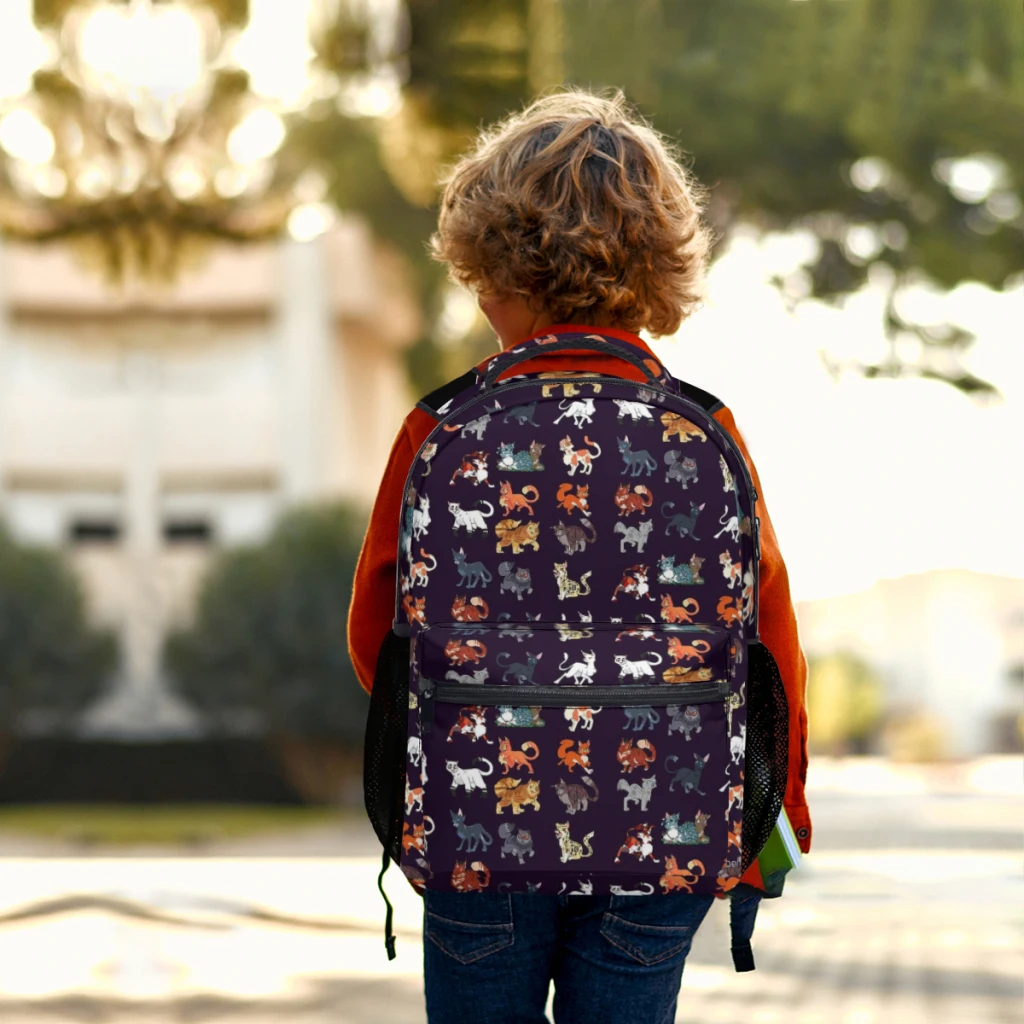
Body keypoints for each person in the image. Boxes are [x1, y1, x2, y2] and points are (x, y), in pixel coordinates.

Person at [348, 87, 810, 1024]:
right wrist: (777, 810)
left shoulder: (441, 426)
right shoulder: (706, 428)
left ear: (494, 268)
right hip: (663, 833)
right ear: (659, 268)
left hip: (483, 837)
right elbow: (769, 641)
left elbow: (375, 635)